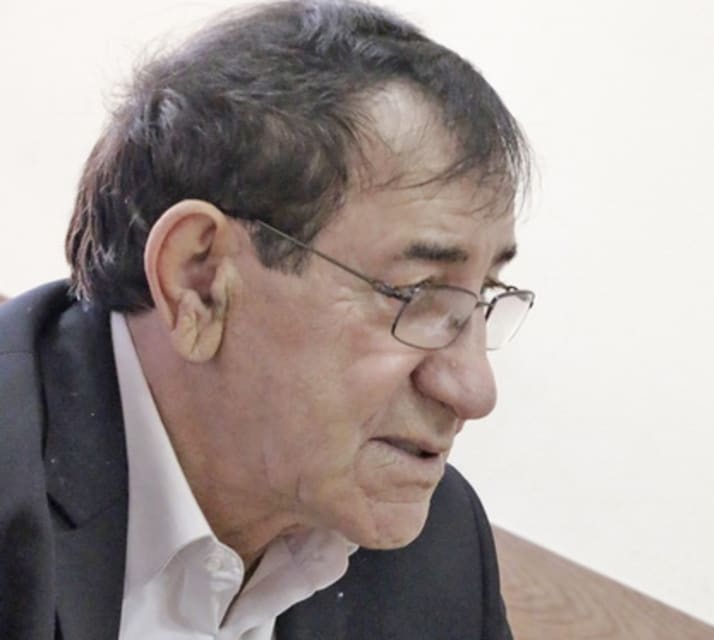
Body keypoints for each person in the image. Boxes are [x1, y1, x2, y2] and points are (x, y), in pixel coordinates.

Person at [0, 1, 534, 638]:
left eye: (483, 296)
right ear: (199, 282)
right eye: (416, 293)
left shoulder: (439, 551)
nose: (474, 391)